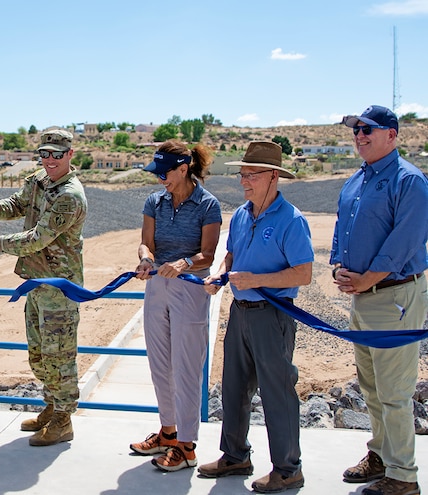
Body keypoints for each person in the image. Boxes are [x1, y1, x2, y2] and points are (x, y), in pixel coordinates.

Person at [199, 141, 313, 493]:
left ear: (273, 177)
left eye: (251, 175)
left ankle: (288, 468)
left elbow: (303, 274)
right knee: (234, 388)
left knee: (277, 392)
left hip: (273, 316)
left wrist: (258, 281)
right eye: (242, 174)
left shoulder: (291, 221)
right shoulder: (243, 214)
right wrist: (219, 275)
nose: (243, 181)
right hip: (240, 313)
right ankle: (235, 456)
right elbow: (230, 255)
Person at [332, 105, 427, 495]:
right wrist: (339, 265)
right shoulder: (357, 180)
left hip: (395, 296)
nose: (360, 136)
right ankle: (381, 456)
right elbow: (343, 228)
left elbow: (404, 241)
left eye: (368, 129)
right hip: (363, 297)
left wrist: (368, 278)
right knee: (370, 387)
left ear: (393, 135)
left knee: (394, 392)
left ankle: (403, 477)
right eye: (356, 131)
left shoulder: (410, 180)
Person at [0, 128, 87, 447]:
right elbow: (18, 204)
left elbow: (36, 239)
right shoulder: (39, 180)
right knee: (39, 354)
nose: (49, 160)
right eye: (44, 154)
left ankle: (64, 419)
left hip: (59, 288)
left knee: (59, 355)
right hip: (36, 283)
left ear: (70, 156)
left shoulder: (69, 195)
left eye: (57, 154)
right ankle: (52, 407)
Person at [128, 141, 221, 472]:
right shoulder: (154, 201)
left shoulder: (208, 205)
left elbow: (208, 255)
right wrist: (145, 259)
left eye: (163, 173)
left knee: (186, 367)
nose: (159, 180)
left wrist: (183, 263)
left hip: (190, 288)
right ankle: (168, 433)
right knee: (160, 363)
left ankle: (187, 446)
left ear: (183, 169)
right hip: (157, 286)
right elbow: (146, 243)